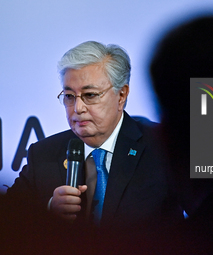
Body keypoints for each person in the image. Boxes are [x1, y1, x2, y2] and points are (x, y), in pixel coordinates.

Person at [3, 41, 182, 254]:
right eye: (69, 96)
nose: (77, 108)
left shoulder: (162, 148)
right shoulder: (44, 154)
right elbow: (7, 223)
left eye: (90, 95)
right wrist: (48, 210)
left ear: (121, 95)